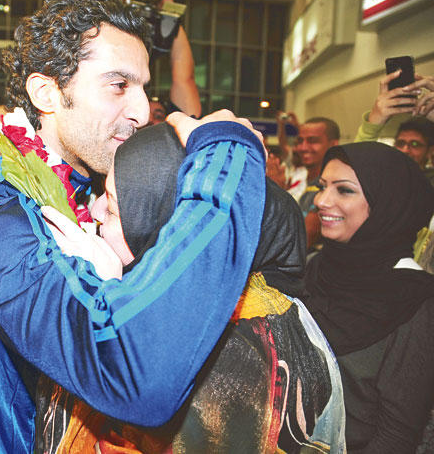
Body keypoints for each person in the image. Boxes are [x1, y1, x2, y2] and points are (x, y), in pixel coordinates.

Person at [0, 0, 267, 453]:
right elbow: (133, 377)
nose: (142, 111)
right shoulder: (4, 219)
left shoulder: (78, 181)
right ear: (47, 93)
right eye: (118, 85)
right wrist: (228, 157)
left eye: (144, 88)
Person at [39, 121, 346, 453]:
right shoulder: (234, 293)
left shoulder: (232, 349)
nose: (94, 209)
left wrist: (108, 299)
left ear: (162, 221)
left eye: (112, 205)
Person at [300, 141, 434, 453]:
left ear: (388, 204)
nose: (321, 200)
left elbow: (396, 435)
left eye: (344, 190)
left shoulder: (414, 301)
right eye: (322, 187)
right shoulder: (315, 269)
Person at [295, 117, 340, 251]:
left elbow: (301, 242)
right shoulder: (309, 183)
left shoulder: (333, 187)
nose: (303, 147)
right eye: (300, 141)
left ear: (333, 145)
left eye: (313, 141)